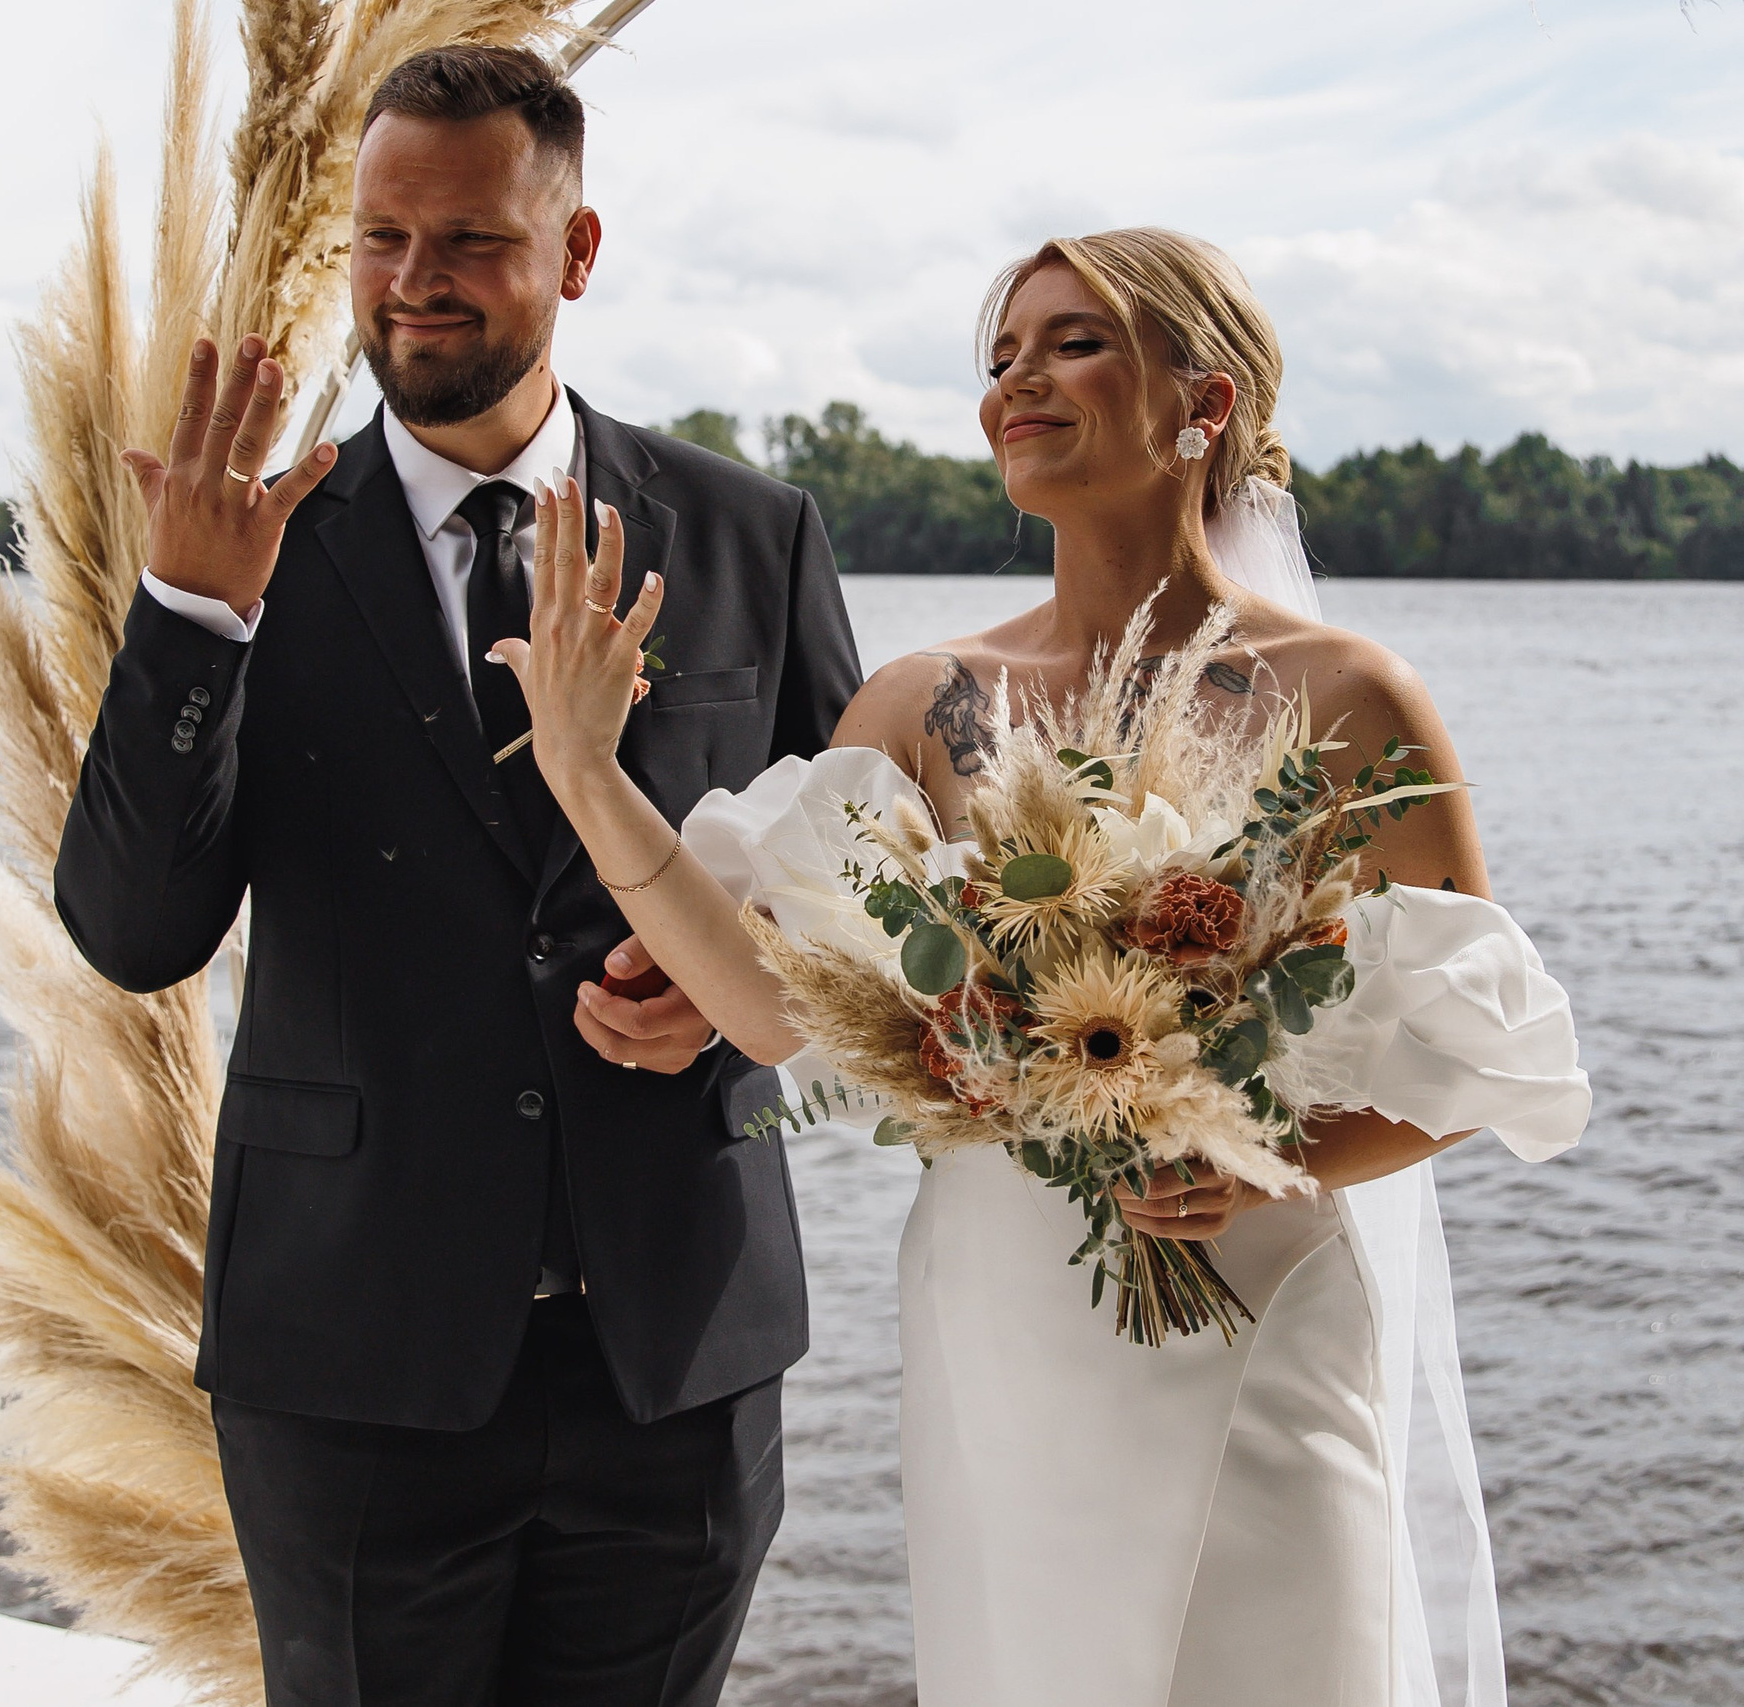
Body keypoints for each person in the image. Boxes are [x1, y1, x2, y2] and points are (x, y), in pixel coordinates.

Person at [492, 228, 1587, 1706]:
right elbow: (762, 1002)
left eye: (1073, 343)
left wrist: (1283, 1158)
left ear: (1201, 406)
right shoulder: (927, 701)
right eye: (1002, 356)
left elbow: (1492, 1060)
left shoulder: (1352, 696)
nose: (1017, 381)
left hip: (1259, 1302)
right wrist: (582, 769)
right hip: (1010, 1321)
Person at [52, 43, 863, 1707]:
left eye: (471, 242)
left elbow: (864, 904)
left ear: (573, 253)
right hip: (353, 1358)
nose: (412, 285)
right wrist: (194, 619)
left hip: (679, 1351)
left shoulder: (745, 533)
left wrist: (718, 1008)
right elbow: (134, 937)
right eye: (381, 238)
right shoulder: (261, 539)